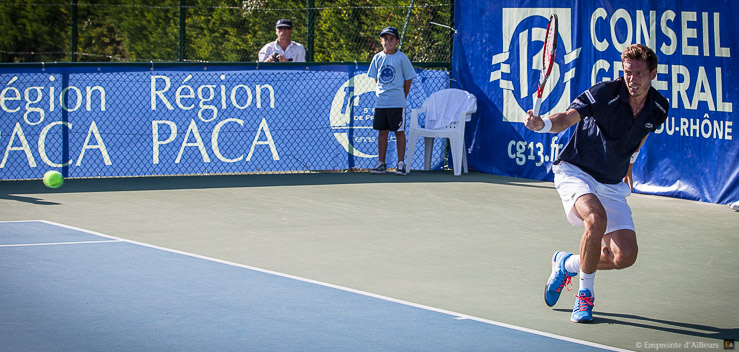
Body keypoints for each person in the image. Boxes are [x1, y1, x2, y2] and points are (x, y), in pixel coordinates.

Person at [524, 44, 668, 323]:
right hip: (576, 170)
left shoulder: (659, 107)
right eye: (628, 72)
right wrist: (542, 124)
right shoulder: (605, 93)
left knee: (624, 256)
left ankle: (566, 264)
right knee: (595, 218)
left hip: (611, 181)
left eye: (639, 73)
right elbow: (566, 118)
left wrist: (630, 161)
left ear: (652, 73)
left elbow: (641, 135)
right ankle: (584, 297)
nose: (632, 79)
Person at [367, 27, 417, 175]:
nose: (388, 42)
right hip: (381, 102)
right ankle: (381, 163)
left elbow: (408, 79)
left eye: (391, 39)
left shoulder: (402, 58)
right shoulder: (377, 58)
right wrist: (382, 93)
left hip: (397, 103)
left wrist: (402, 96)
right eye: (385, 39)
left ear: (396, 41)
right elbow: (376, 79)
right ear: (381, 41)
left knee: (399, 132)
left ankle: (400, 164)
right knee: (382, 132)